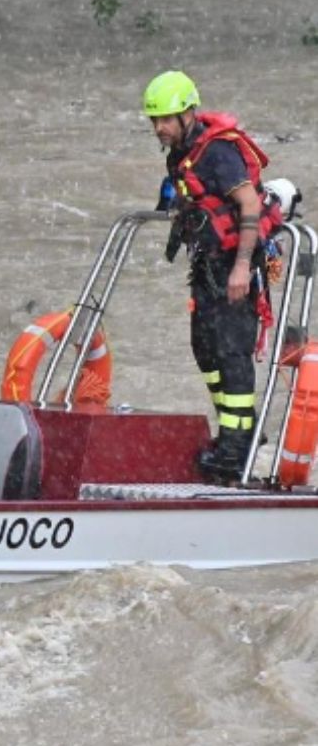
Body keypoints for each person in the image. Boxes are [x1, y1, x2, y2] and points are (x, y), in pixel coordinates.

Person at [143, 70, 282, 482]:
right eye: (154, 120)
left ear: (188, 113)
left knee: (232, 353)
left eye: (166, 118)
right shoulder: (181, 152)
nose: (159, 127)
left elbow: (249, 206)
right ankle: (234, 432)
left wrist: (242, 267)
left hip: (235, 265)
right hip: (206, 266)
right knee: (204, 348)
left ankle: (237, 450)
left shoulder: (218, 153)